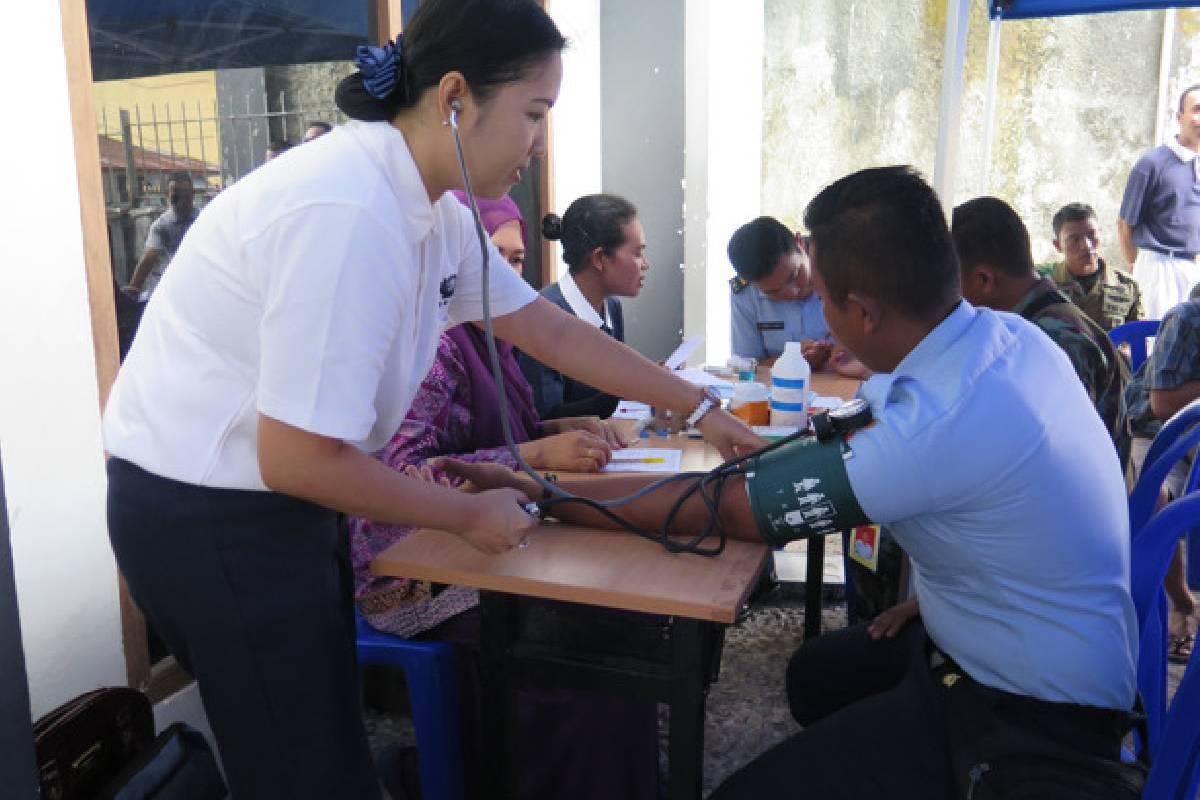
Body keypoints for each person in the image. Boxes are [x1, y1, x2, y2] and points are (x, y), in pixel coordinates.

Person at [101, 2, 757, 797]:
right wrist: (464, 514)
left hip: (279, 503)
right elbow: (296, 455)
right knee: (302, 771)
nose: (539, 141)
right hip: (211, 514)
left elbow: (551, 332)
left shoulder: (431, 210)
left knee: (321, 744)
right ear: (455, 98)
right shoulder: (350, 211)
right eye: (534, 113)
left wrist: (701, 408)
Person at [443, 166, 1142, 800]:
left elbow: (722, 508)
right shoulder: (1000, 340)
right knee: (816, 676)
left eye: (825, 299)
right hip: (995, 644)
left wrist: (541, 491)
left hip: (1035, 721)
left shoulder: (937, 424)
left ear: (861, 311)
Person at [952, 196, 1129, 457]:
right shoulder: (1038, 315)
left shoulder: (1055, 341)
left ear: (983, 280)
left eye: (955, 282)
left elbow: (1056, 454)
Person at [517, 193, 648, 420]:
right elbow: (547, 418)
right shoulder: (544, 317)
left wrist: (648, 380)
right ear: (599, 258)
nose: (646, 264)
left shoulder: (611, 307)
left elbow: (610, 387)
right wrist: (631, 387)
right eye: (637, 253)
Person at [1124, 284, 1200, 664]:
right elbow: (1161, 403)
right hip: (1155, 431)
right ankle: (1181, 603)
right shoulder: (1187, 319)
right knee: (1155, 501)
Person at [1118, 83, 1200, 318]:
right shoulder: (1153, 164)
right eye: (1197, 110)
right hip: (1158, 268)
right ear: (1179, 117)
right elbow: (1125, 224)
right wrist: (1137, 267)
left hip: (1191, 269)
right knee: (1156, 339)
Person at [727, 216, 831, 363]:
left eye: (795, 275)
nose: (793, 292)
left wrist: (832, 355)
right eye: (773, 292)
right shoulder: (745, 293)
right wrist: (791, 360)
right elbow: (747, 364)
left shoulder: (837, 270)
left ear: (799, 243)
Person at [1048, 202, 1143, 331]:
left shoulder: (1127, 286)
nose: (1086, 245)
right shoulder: (1047, 287)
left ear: (1101, 234)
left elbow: (1138, 339)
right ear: (1058, 245)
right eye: (1074, 240)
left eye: (1092, 235)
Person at [123, 172, 198, 299]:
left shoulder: (202, 219)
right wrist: (134, 287)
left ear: (193, 195)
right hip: (168, 290)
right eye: (176, 197)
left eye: (185, 197)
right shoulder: (161, 226)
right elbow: (149, 258)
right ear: (167, 196)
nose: (180, 202)